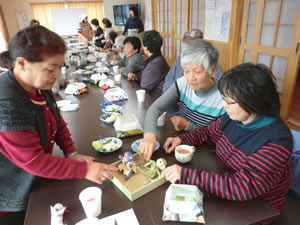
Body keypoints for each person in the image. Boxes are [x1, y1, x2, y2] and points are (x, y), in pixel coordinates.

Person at [0, 25, 117, 225]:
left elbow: (57, 121)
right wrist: (84, 170)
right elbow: (35, 161)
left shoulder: (39, 85)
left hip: (36, 180)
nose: (56, 74)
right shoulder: (7, 103)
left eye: (60, 67)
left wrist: (70, 152)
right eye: (50, 68)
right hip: (11, 192)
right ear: (21, 63)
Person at [162, 63, 293, 224]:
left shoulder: (276, 141)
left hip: (257, 207)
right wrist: (182, 139)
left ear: (255, 103)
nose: (225, 106)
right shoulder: (234, 118)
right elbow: (208, 132)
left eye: (230, 102)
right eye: (225, 99)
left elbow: (242, 187)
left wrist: (186, 175)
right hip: (224, 183)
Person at [139, 39, 225, 162]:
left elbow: (218, 138)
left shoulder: (224, 99)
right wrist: (149, 136)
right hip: (180, 143)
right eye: (186, 70)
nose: (190, 78)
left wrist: (188, 126)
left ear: (212, 70)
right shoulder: (182, 84)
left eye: (197, 71)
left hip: (206, 155)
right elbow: (155, 108)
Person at [127, 30, 170, 100]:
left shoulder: (155, 64)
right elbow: (146, 74)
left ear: (146, 48)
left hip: (152, 101)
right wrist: (136, 76)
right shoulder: (157, 58)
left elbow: (144, 89)